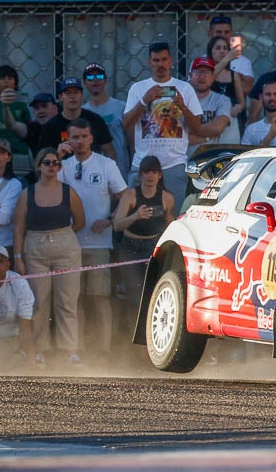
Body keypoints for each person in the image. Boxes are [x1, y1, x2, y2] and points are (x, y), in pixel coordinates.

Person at [58, 120, 127, 358]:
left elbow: (125, 196)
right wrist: (57, 156)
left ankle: (105, 348)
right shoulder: (62, 166)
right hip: (70, 243)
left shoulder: (106, 164)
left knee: (99, 296)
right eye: (74, 137)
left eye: (83, 136)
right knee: (74, 298)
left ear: (91, 138)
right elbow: (47, 189)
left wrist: (110, 218)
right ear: (68, 138)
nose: (79, 141)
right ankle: (77, 347)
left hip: (99, 242)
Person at [14, 148, 86, 363]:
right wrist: (17, 257)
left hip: (65, 245)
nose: (51, 167)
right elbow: (18, 227)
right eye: (47, 163)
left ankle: (70, 349)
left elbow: (80, 221)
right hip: (35, 247)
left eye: (56, 163)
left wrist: (61, 237)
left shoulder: (68, 191)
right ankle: (39, 350)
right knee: (38, 302)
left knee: (67, 301)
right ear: (38, 166)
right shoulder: (27, 193)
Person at [123, 41, 206, 202]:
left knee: (173, 219)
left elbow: (197, 127)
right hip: (143, 163)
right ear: (149, 62)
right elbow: (126, 124)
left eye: (164, 59)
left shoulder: (184, 88)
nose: (160, 64)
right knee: (137, 217)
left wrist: (182, 106)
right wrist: (143, 101)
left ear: (170, 61)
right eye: (156, 60)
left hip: (174, 164)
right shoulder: (138, 88)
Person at [113, 153, 175, 304]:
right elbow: (117, 225)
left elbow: (169, 224)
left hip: (152, 246)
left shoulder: (167, 197)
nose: (150, 175)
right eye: (146, 172)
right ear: (140, 175)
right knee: (134, 296)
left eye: (154, 172)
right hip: (130, 247)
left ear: (160, 175)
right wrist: (136, 216)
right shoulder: (130, 195)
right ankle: (130, 326)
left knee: (151, 294)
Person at [35, 78, 116, 159]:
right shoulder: (50, 127)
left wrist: (108, 170)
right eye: (68, 93)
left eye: (76, 92)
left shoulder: (95, 120)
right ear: (60, 97)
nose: (72, 97)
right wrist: (57, 156)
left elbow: (109, 152)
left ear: (82, 95)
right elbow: (41, 160)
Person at [81, 63, 130, 176]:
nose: (95, 81)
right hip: (90, 173)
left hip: (119, 172)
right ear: (85, 83)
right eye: (90, 77)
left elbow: (131, 141)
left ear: (106, 80)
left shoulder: (122, 107)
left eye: (99, 77)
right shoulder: (81, 113)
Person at [203, 38, 247, 142]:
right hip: (210, 121)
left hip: (229, 121)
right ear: (211, 51)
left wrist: (238, 107)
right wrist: (226, 59)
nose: (222, 51)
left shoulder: (233, 74)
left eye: (225, 48)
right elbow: (210, 78)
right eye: (218, 48)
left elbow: (242, 102)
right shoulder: (205, 74)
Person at [186, 56, 235, 146]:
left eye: (207, 73)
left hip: (211, 158)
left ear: (213, 77)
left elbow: (217, 128)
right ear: (190, 75)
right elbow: (175, 135)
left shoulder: (222, 100)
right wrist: (207, 137)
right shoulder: (181, 100)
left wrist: (188, 130)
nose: (202, 76)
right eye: (198, 72)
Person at [242, 79, 276, 148]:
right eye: (268, 94)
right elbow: (246, 157)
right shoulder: (251, 129)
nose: (272, 98)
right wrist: (270, 136)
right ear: (261, 97)